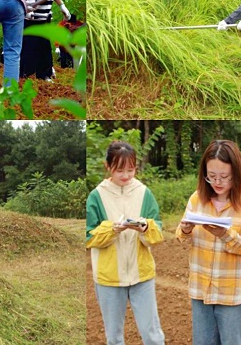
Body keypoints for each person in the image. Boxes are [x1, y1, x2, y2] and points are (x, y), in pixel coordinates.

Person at [175, 140, 241, 345]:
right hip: (201, 290)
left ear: (237, 173)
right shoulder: (197, 199)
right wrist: (186, 229)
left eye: (225, 177)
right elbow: (181, 234)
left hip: (232, 293)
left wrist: (226, 235)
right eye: (211, 176)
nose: (217, 182)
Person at [86, 141, 165, 345]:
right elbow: (89, 236)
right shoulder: (96, 196)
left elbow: (157, 230)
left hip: (142, 275)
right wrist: (112, 229)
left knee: (152, 334)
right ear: (107, 166)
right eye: (119, 170)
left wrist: (145, 227)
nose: (126, 175)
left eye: (130, 170)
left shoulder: (144, 192)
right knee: (114, 337)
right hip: (109, 277)